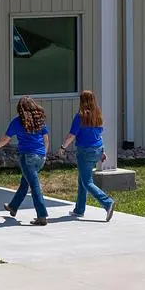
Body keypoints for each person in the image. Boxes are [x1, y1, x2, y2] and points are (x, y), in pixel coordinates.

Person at [0, 96, 50, 226]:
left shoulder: (17, 122)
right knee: (25, 182)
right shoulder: (40, 121)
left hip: (27, 158)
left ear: (20, 109)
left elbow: (6, 139)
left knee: (34, 186)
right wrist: (44, 154)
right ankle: (13, 207)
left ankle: (42, 216)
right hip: (40, 157)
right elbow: (46, 139)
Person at [56, 90, 116, 222]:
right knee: (82, 179)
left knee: (87, 182)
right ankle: (79, 209)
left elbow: (72, 135)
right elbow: (98, 134)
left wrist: (62, 147)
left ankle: (107, 202)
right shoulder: (98, 115)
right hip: (98, 149)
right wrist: (102, 151)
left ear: (82, 101)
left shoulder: (80, 117)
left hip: (85, 152)